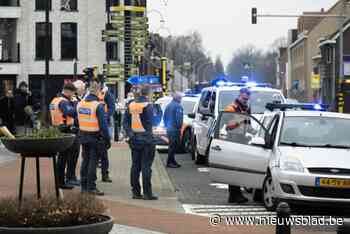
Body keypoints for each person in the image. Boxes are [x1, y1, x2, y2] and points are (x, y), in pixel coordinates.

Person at [123, 85, 160, 200]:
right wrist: (159, 111)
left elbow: (125, 123)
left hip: (134, 139)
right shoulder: (148, 106)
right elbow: (155, 122)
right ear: (148, 94)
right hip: (147, 140)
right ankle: (147, 193)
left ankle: (135, 192)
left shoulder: (131, 105)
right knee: (146, 167)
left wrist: (130, 135)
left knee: (135, 166)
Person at [77, 80, 110, 196]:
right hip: (95, 138)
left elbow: (77, 121)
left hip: (83, 136)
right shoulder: (98, 106)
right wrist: (107, 140)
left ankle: (84, 186)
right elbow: (104, 126)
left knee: (85, 161)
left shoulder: (80, 104)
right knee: (93, 163)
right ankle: (91, 187)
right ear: (97, 91)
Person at [224, 87, 251, 204]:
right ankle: (235, 195)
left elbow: (248, 124)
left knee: (239, 169)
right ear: (240, 95)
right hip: (233, 140)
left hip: (242, 140)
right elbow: (228, 125)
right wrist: (241, 119)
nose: (246, 101)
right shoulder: (231, 108)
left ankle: (235, 194)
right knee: (234, 169)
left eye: (247, 99)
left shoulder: (246, 108)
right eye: (244, 98)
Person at [49, 83, 78, 190]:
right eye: (73, 93)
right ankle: (60, 182)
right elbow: (71, 113)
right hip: (65, 130)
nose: (73, 95)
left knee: (61, 157)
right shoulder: (63, 102)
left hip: (57, 128)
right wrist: (75, 104)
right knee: (63, 158)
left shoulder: (54, 100)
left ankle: (60, 181)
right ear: (68, 91)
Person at [64, 80, 87, 187]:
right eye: (82, 88)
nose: (83, 90)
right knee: (72, 155)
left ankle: (71, 176)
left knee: (74, 155)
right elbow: (73, 113)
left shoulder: (75, 99)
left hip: (74, 129)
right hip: (71, 129)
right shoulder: (71, 100)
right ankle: (70, 177)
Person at [97, 84, 115, 183]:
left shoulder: (107, 94)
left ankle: (105, 175)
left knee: (103, 154)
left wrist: (105, 116)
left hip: (103, 125)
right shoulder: (88, 95)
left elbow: (112, 108)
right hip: (92, 128)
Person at [163, 92, 184, 168]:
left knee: (171, 145)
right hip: (175, 129)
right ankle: (169, 162)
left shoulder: (168, 105)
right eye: (180, 98)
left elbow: (164, 117)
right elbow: (179, 120)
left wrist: (166, 126)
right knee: (173, 146)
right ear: (178, 98)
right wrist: (179, 127)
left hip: (169, 129)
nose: (181, 99)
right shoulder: (178, 106)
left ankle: (172, 161)